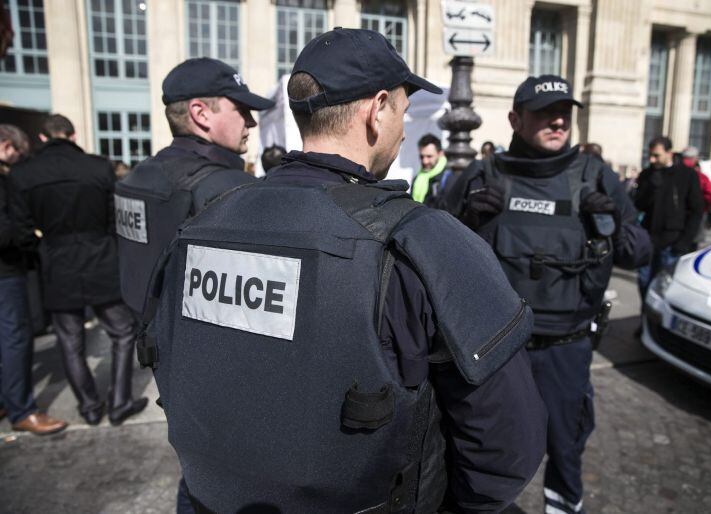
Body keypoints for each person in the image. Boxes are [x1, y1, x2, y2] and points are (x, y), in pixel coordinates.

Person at [141, 28, 547, 513]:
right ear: (377, 110)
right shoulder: (425, 240)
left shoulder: (204, 222)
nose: (403, 125)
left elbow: (166, 361)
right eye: (404, 107)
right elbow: (506, 448)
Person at [442, 74, 651, 514]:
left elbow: (640, 252)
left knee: (566, 448)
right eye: (544, 112)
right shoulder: (485, 173)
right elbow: (434, 249)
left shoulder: (597, 177)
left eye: (565, 112)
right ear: (515, 119)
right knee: (480, 450)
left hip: (566, 349)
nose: (558, 121)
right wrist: (464, 219)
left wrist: (611, 222)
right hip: (497, 350)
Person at [114, 57, 274, 514]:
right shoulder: (229, 190)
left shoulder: (137, 178)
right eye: (240, 109)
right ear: (202, 114)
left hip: (166, 362)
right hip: (224, 378)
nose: (250, 121)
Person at [10, 114, 147, 427]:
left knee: (70, 341)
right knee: (123, 331)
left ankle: (89, 407)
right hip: (100, 258)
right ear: (72, 136)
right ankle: (120, 401)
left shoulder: (23, 173)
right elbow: (117, 220)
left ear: (43, 139)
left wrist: (43, 251)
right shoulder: (98, 166)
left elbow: (21, 232)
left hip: (57, 262)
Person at [0, 124, 67, 435]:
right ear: (5, 145)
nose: (18, 156)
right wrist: (28, 238)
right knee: (15, 338)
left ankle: (9, 399)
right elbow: (8, 230)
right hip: (7, 269)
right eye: (15, 150)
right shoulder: (6, 180)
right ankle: (22, 409)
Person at [635, 137, 703, 297]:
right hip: (648, 239)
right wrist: (650, 188)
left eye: (657, 155)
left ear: (669, 153)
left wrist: (684, 241)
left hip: (672, 241)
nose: (652, 160)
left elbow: (696, 210)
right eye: (650, 155)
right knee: (644, 281)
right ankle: (645, 317)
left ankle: (658, 321)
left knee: (664, 288)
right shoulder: (647, 174)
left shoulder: (687, 175)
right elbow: (638, 205)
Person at [410, 133, 448, 206]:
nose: (425, 161)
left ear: (440, 154)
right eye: (421, 157)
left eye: (429, 156)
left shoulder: (448, 177)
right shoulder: (417, 178)